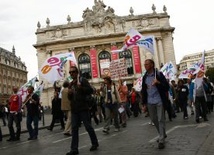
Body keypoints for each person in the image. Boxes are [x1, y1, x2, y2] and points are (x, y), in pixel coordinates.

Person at [66, 66, 99, 155]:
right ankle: (74, 149)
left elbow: (90, 90)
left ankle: (95, 143)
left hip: (83, 108)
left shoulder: (82, 80)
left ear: (77, 73)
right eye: (70, 72)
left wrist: (81, 88)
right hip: (74, 109)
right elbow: (70, 98)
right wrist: (69, 94)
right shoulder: (71, 84)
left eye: (73, 72)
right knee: (74, 129)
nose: (71, 74)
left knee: (88, 126)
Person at [141, 59, 169, 149]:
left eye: (147, 64)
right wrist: (144, 103)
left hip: (159, 100)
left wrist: (158, 83)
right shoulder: (145, 77)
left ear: (152, 65)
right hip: (150, 101)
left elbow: (166, 87)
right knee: (154, 119)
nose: (145, 66)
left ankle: (161, 140)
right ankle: (163, 133)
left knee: (161, 119)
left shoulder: (159, 75)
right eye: (144, 64)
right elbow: (143, 91)